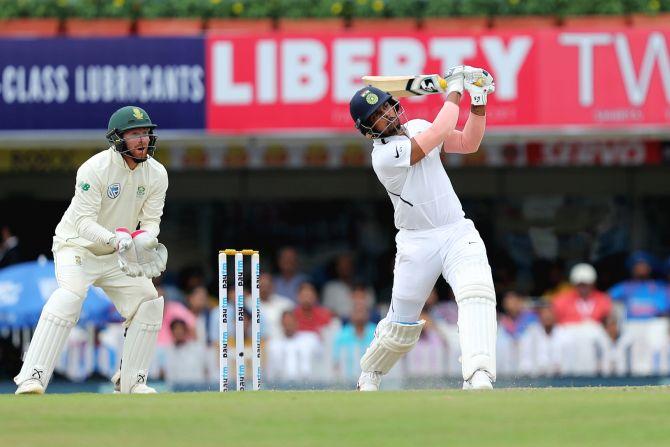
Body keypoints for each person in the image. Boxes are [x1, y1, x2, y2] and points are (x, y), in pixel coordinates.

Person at [349, 66, 497, 391]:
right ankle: (370, 375)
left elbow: (468, 142)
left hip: (456, 231)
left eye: (387, 105)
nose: (387, 113)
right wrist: (455, 90)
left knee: (477, 294)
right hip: (416, 244)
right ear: (368, 130)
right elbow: (439, 130)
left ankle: (479, 373)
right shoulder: (384, 157)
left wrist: (479, 99)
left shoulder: (416, 125)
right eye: (377, 114)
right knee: (401, 326)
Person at [14, 106, 168, 395]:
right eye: (135, 133)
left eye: (146, 132)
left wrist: (143, 242)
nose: (143, 139)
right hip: (77, 247)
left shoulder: (157, 174)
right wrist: (116, 240)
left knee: (148, 301)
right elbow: (84, 222)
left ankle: (132, 380)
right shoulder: (94, 169)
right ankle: (32, 376)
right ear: (117, 138)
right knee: (70, 297)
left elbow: (151, 221)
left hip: (118, 254)